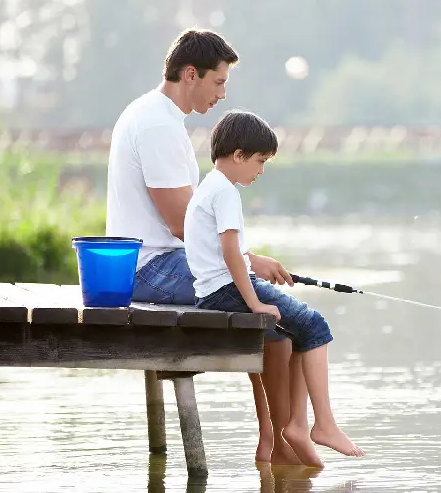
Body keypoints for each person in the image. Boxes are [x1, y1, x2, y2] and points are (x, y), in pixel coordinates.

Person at [104, 28, 299, 465]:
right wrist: (248, 261)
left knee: (264, 305)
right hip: (150, 268)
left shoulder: (155, 115)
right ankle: (277, 440)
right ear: (190, 74)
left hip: (156, 260)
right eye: (218, 81)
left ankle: (274, 436)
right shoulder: (157, 123)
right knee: (271, 311)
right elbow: (181, 224)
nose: (223, 93)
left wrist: (245, 263)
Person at [185, 110, 365, 467]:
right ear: (238, 155)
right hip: (228, 291)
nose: (261, 170)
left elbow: (227, 255)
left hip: (213, 290)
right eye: (259, 161)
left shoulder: (210, 186)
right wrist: (253, 302)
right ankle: (321, 424)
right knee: (316, 325)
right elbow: (231, 254)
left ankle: (298, 426)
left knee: (302, 329)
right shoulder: (225, 193)